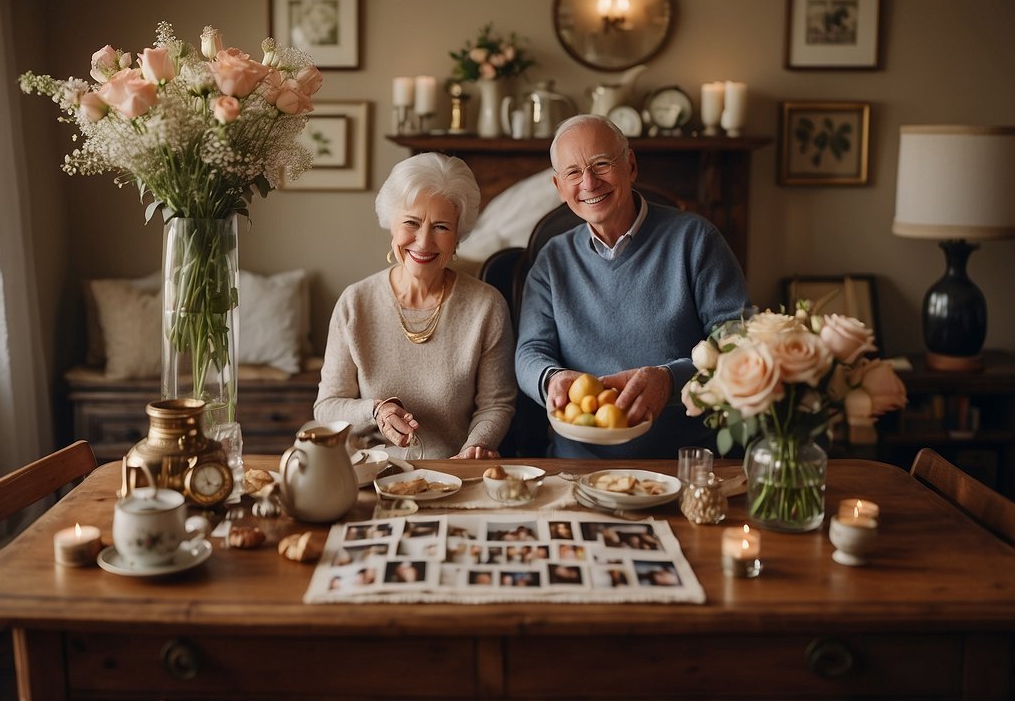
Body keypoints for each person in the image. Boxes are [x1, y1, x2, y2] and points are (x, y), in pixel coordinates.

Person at [515, 114, 750, 459]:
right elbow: (530, 351)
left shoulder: (696, 239)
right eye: (573, 173)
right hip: (577, 464)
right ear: (560, 188)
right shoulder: (552, 260)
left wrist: (670, 381)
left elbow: (736, 340)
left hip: (684, 460)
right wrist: (551, 379)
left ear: (631, 165)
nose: (589, 183)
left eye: (601, 164)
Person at [315, 153, 516, 459]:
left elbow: (496, 404)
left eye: (441, 227)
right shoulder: (355, 303)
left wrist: (472, 451)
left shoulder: (486, 306)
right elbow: (326, 407)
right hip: (370, 474)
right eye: (411, 222)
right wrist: (376, 411)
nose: (423, 242)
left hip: (454, 472)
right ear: (391, 225)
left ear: (457, 237)